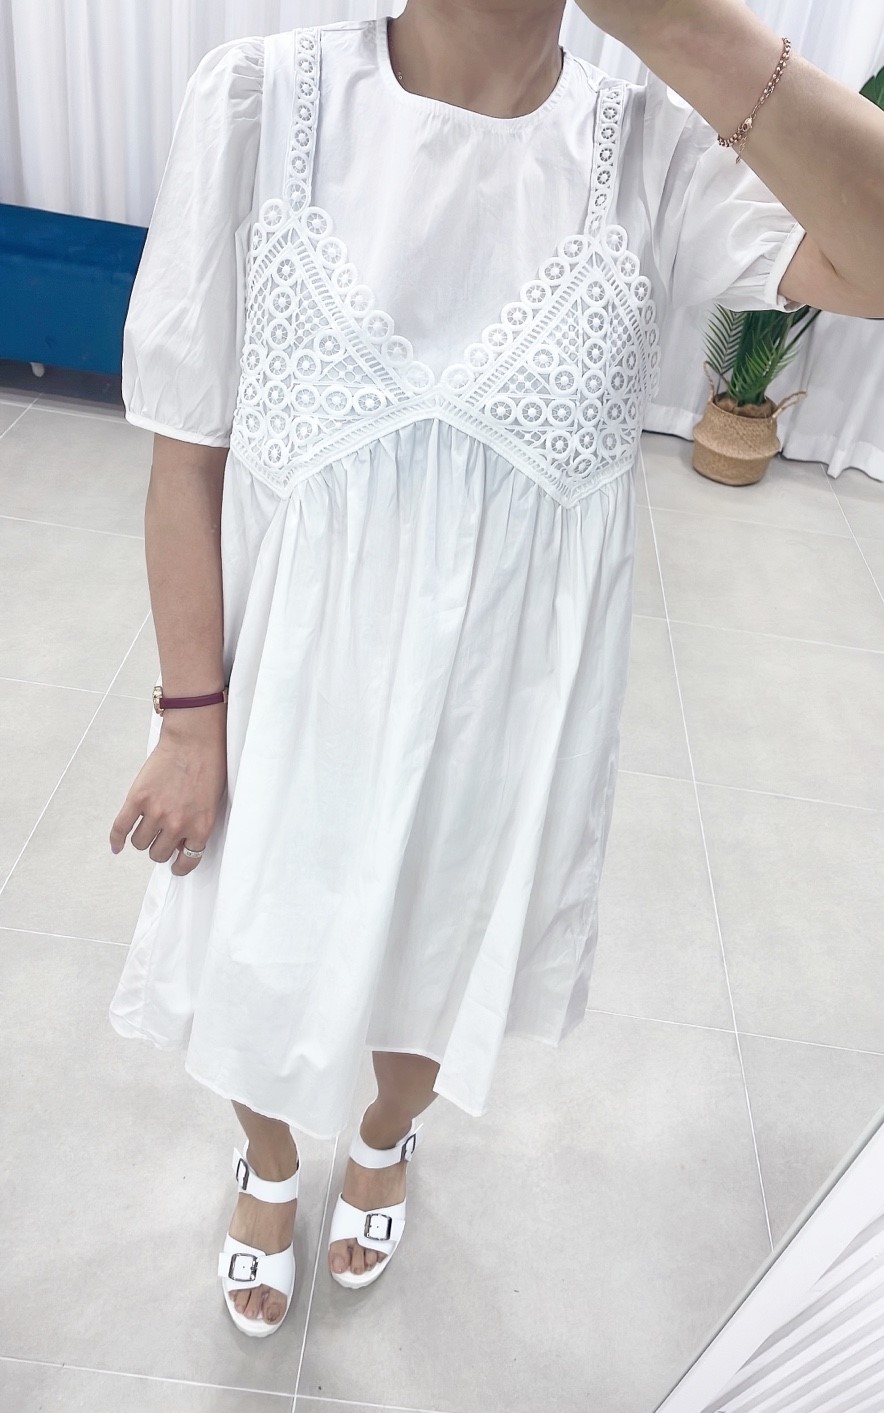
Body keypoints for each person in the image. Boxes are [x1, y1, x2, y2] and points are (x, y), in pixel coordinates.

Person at [108, 0, 884, 1337]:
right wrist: (189, 720)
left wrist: (679, 26)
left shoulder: (652, 152)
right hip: (289, 688)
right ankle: (269, 1161)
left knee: (441, 951)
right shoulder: (263, 102)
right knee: (256, 954)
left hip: (507, 711)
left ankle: (386, 1137)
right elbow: (187, 453)